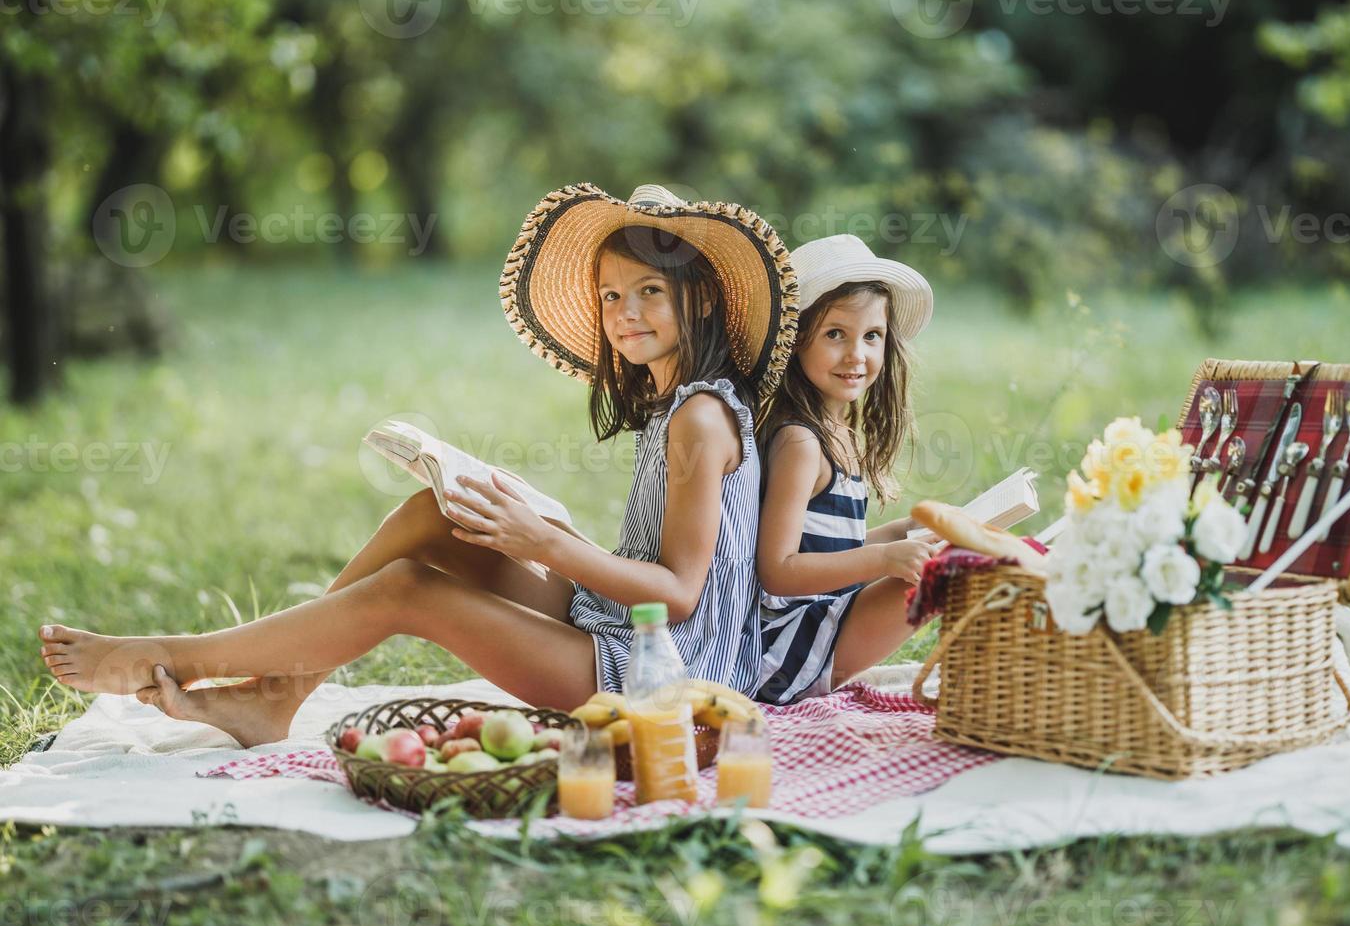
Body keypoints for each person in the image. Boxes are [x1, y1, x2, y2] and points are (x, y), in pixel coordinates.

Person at [38, 183, 799, 745]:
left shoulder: (701, 416)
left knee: (409, 591)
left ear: (698, 301)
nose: (625, 312)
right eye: (610, 295)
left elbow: (678, 597)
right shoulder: (674, 403)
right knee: (436, 514)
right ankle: (280, 693)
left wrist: (546, 544)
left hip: (668, 681)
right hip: (624, 633)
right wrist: (541, 529)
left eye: (649, 292)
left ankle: (177, 660)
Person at [752, 234, 937, 705]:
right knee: (945, 576)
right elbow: (777, 571)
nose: (857, 354)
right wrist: (884, 561)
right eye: (836, 334)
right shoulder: (800, 442)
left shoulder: (837, 434)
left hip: (819, 622)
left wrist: (903, 532)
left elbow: (834, 547)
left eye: (871, 336)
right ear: (796, 342)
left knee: (945, 551)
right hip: (785, 647)